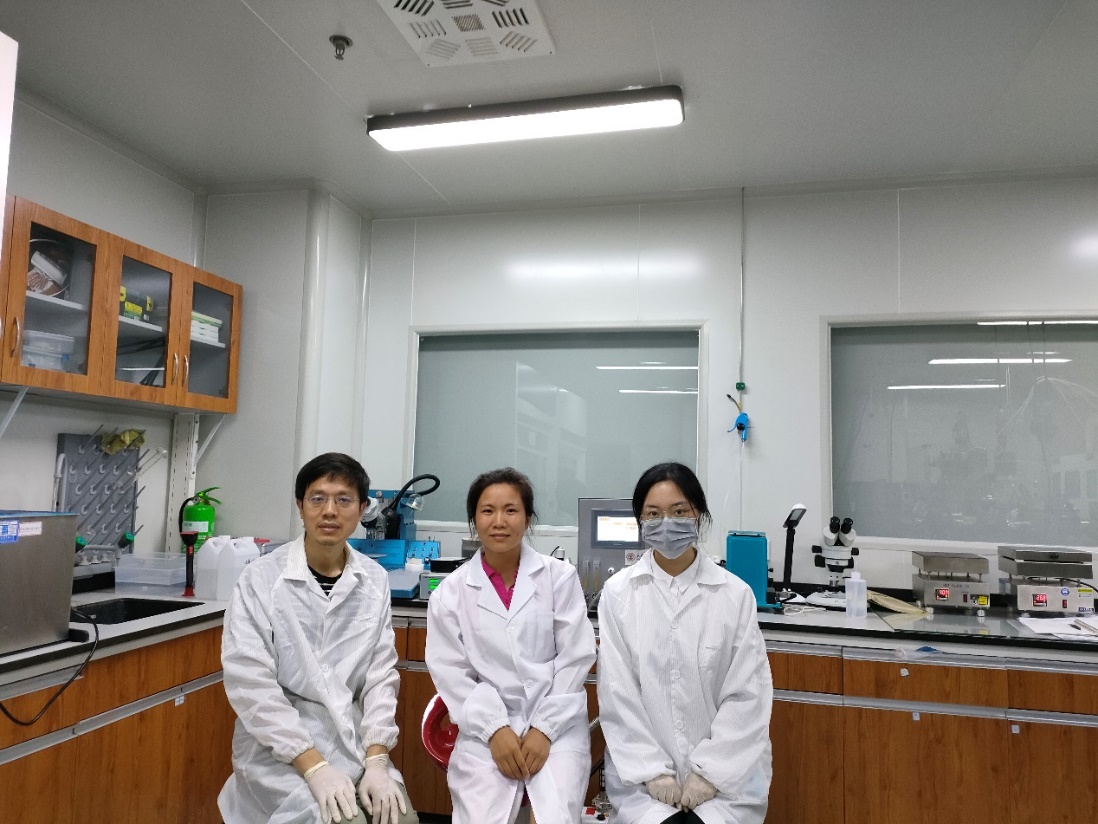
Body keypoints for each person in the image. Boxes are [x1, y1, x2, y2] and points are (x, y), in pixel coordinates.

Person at [218, 452, 419, 824]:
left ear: (362, 509)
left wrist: (377, 760)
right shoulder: (261, 579)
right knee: (345, 821)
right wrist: (313, 766)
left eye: (343, 500)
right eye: (317, 498)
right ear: (300, 506)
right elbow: (251, 683)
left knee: (400, 819)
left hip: (352, 742)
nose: (330, 511)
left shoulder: (374, 581)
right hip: (279, 752)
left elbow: (380, 678)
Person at [597, 462, 773, 824]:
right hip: (643, 782)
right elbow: (618, 694)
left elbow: (747, 696)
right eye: (653, 514)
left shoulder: (735, 595)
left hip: (727, 781)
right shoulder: (618, 594)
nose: (666, 523)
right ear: (640, 521)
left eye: (679, 512)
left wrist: (710, 774)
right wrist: (652, 771)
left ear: (699, 515)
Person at [426, 467, 597, 824]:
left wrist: (545, 729)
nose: (499, 521)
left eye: (511, 510)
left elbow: (575, 657)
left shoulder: (558, 578)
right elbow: (451, 673)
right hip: (484, 729)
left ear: (528, 518)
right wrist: (495, 730)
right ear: (474, 519)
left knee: (552, 817)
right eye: (488, 511)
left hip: (557, 724)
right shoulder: (450, 593)